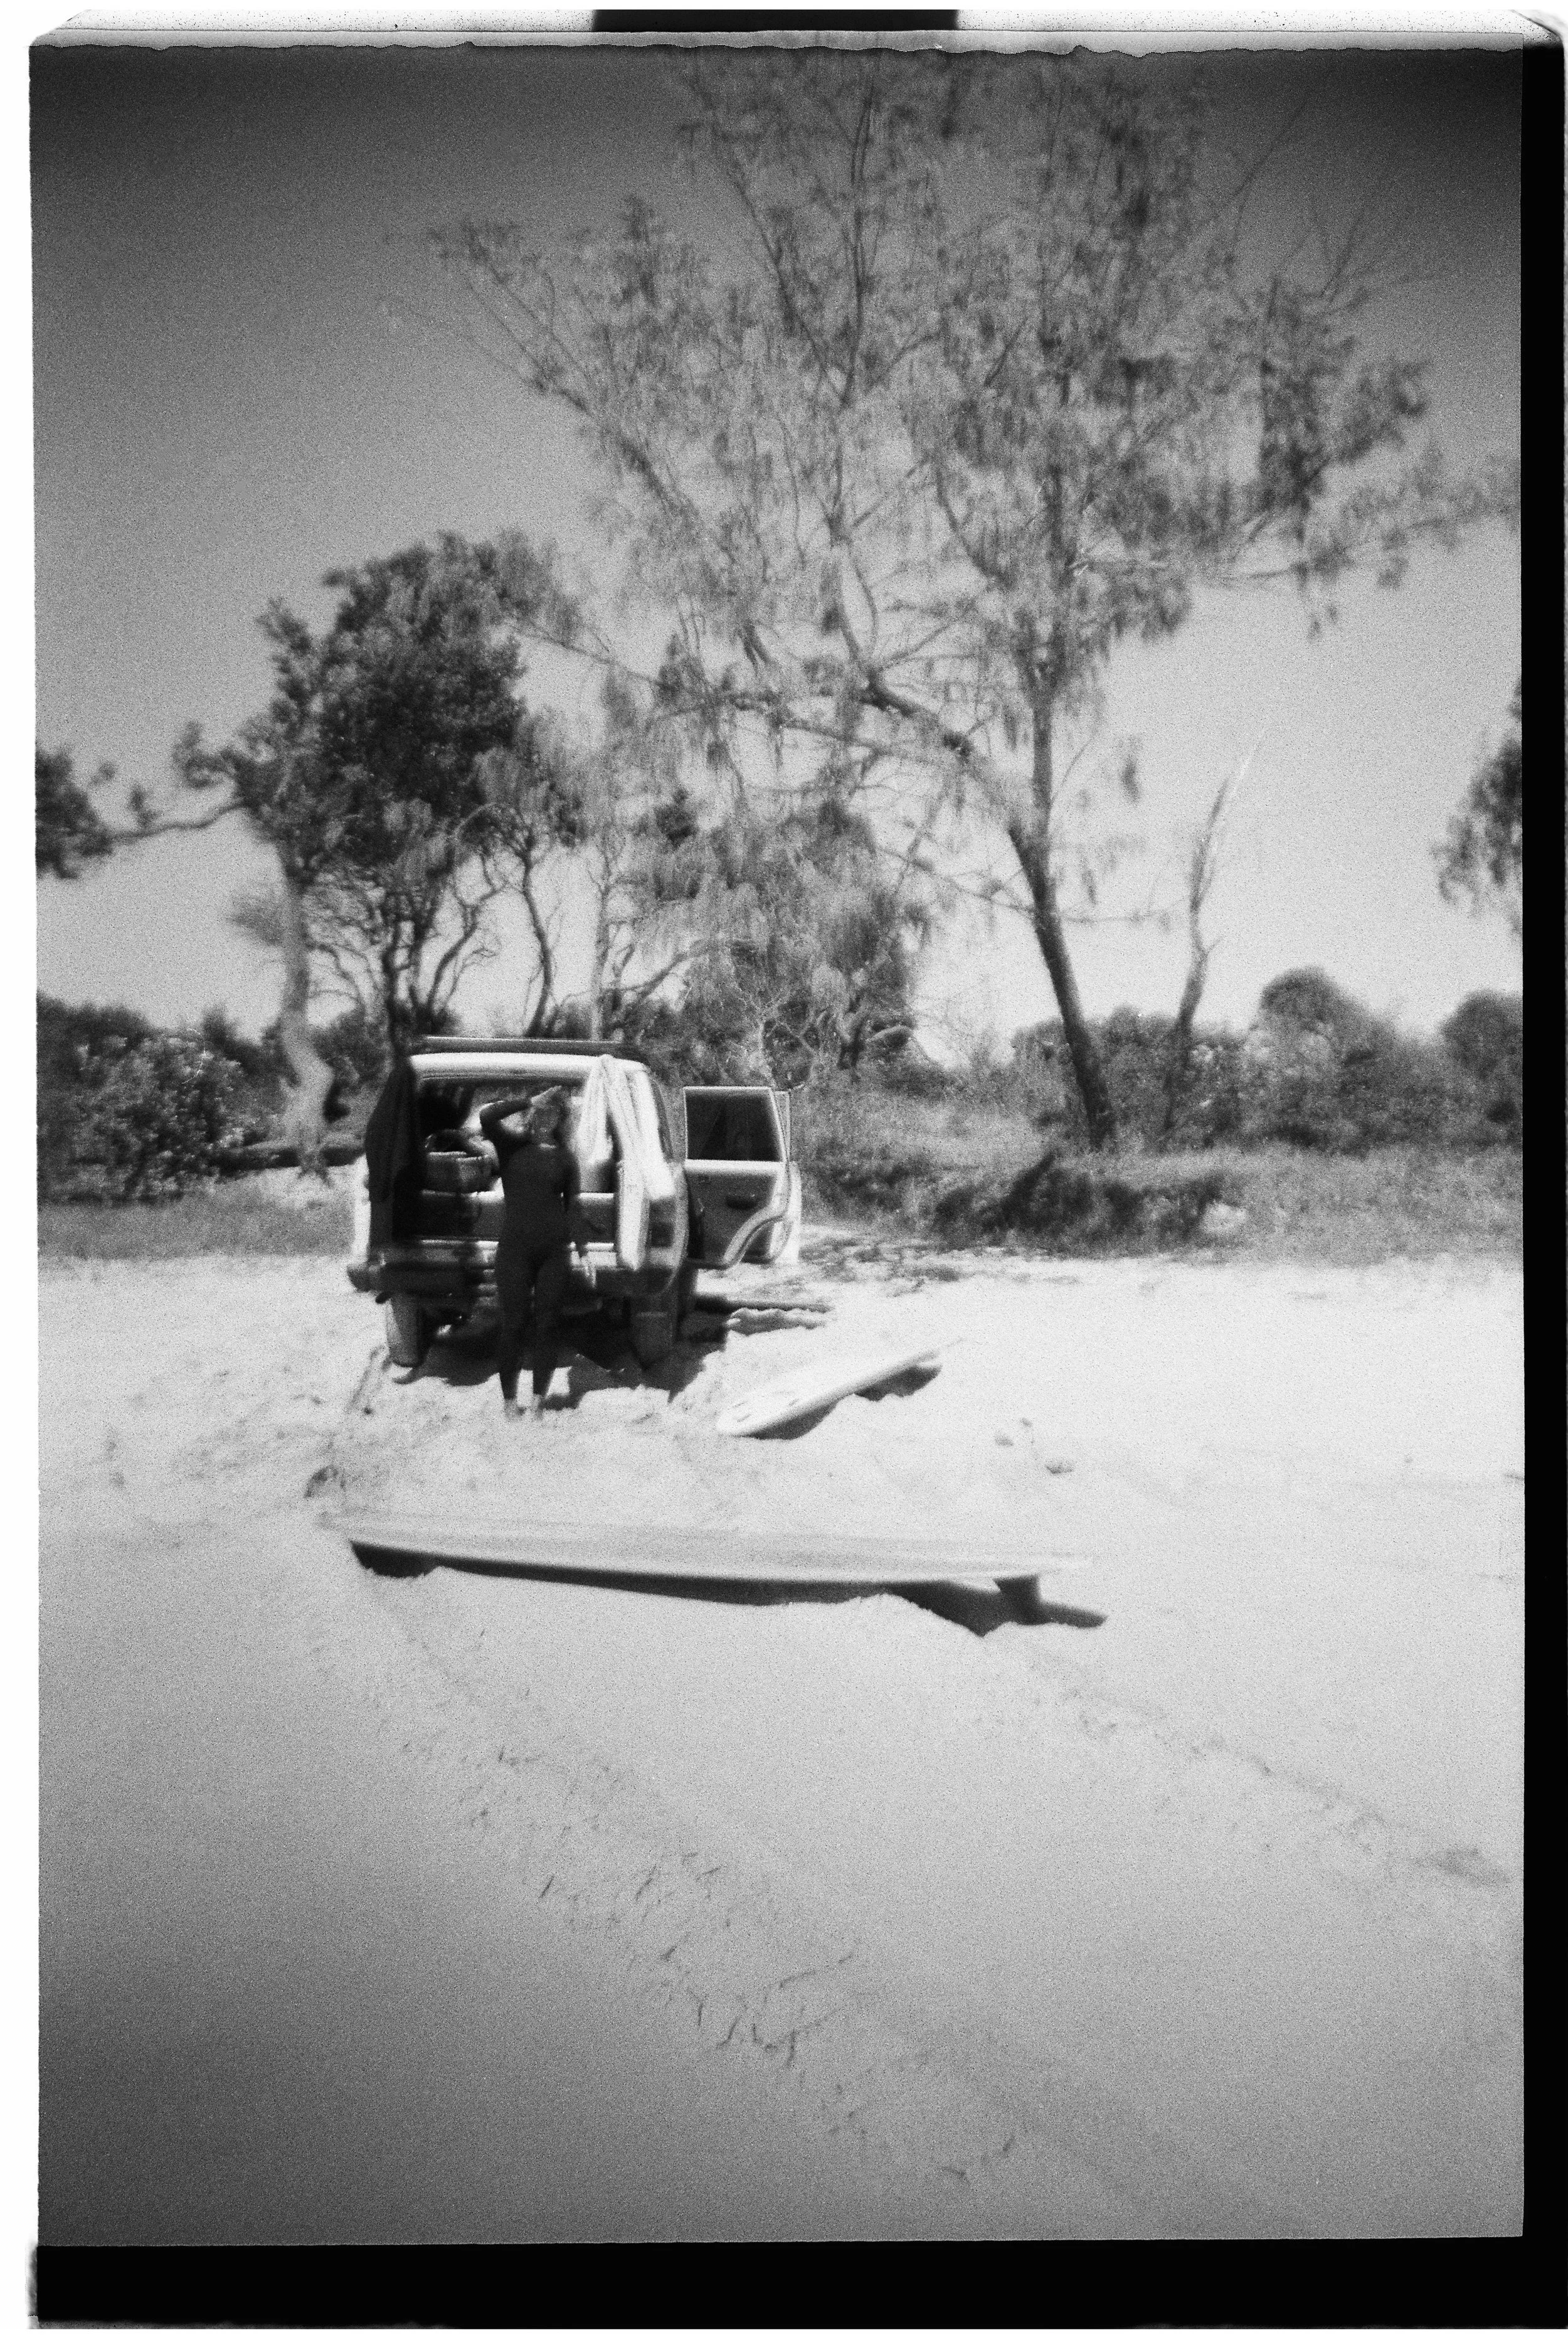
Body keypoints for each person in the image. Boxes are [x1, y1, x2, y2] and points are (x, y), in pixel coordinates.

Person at [476, 1085, 594, 1420]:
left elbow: (572, 1208)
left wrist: (584, 1251)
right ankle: (510, 1402)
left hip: (554, 1253)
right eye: (541, 1112)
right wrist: (529, 1099)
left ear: (561, 1119)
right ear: (532, 1114)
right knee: (512, 1325)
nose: (545, 1118)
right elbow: (487, 1116)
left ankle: (539, 1401)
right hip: (514, 1251)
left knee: (548, 1326)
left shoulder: (566, 1159)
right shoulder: (512, 1146)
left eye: (552, 1113)